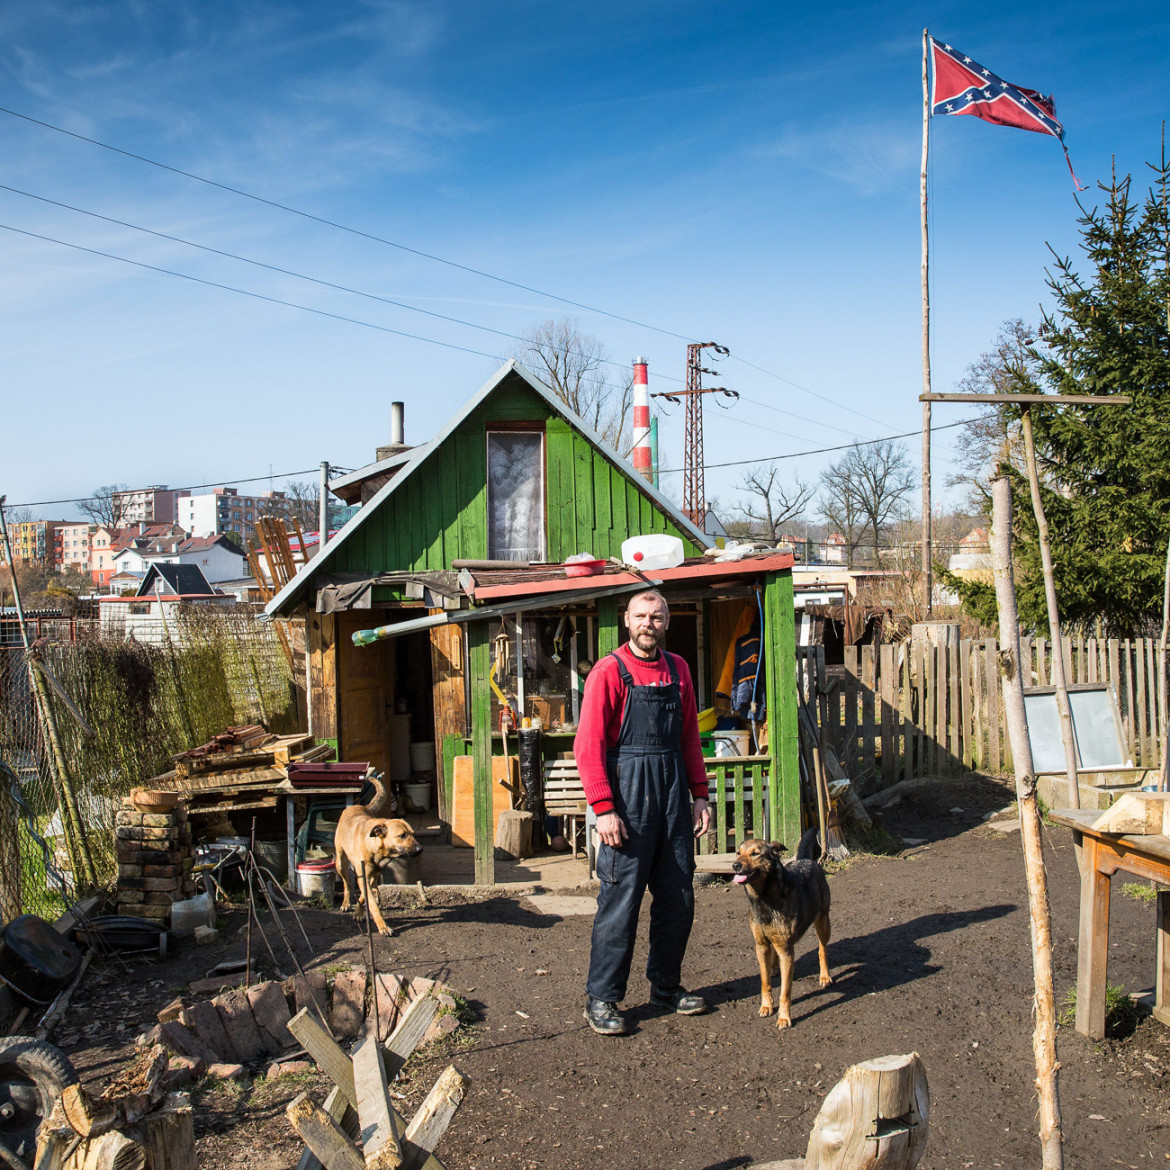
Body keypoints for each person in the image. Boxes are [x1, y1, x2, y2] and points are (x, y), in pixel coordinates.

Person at [574, 589, 711, 1035]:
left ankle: (666, 987)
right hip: (627, 798)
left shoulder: (679, 670)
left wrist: (700, 794)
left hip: (673, 794)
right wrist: (603, 809)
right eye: (640, 616)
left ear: (667, 621)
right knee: (620, 903)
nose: (648, 623)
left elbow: (689, 735)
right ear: (626, 621)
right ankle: (602, 999)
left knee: (678, 900)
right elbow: (588, 745)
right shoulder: (608, 672)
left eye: (656, 616)